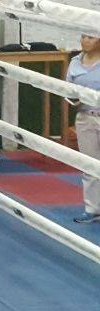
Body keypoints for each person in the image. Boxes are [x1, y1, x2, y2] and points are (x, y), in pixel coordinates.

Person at [68, 33, 100, 224]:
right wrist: (73, 101)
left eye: (91, 37)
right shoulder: (74, 62)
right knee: (89, 164)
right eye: (83, 36)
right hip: (85, 117)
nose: (85, 40)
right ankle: (92, 208)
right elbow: (67, 89)